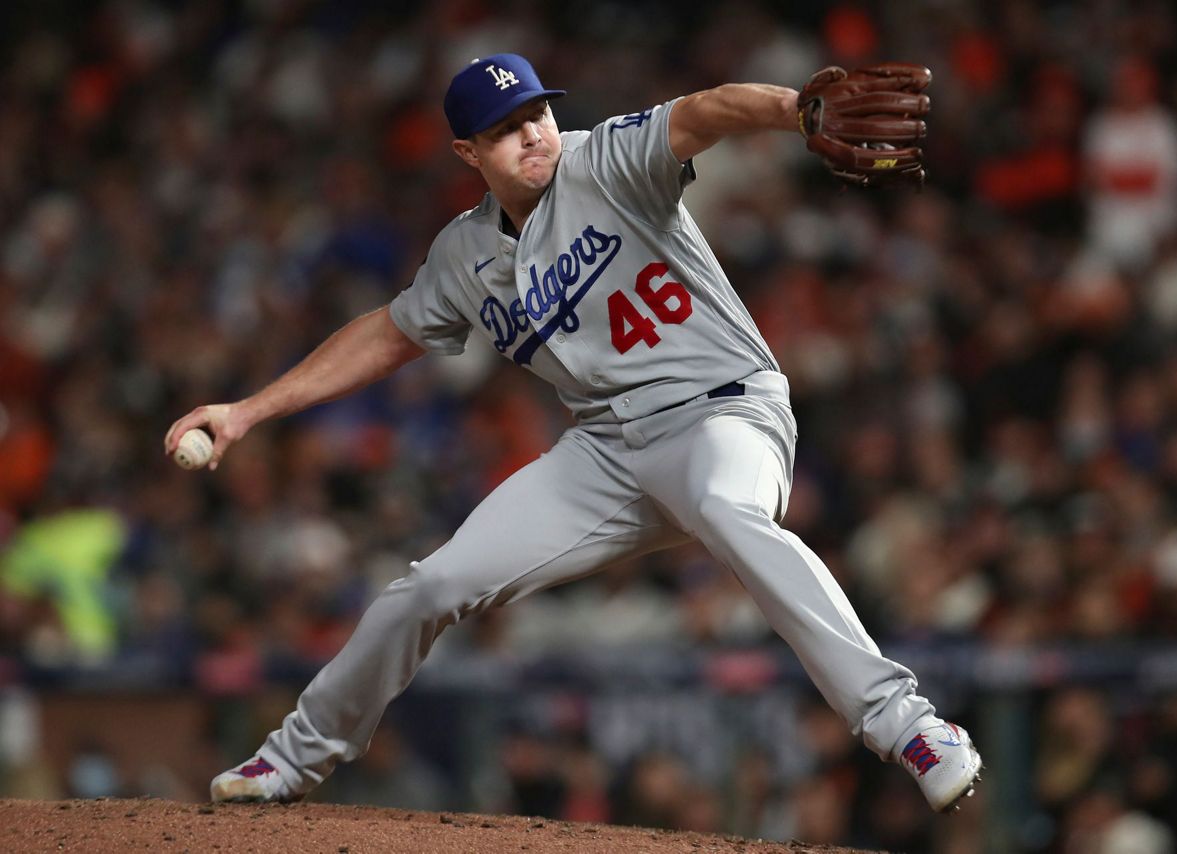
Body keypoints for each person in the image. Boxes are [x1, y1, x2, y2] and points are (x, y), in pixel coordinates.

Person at [167, 53, 982, 815]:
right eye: (505, 127)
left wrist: (792, 110)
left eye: (537, 113)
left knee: (731, 512)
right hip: (608, 453)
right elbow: (387, 335)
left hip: (724, 410)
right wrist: (245, 412)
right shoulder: (465, 254)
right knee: (430, 587)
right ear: (466, 152)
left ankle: (908, 726)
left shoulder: (604, 160)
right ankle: (294, 758)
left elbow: (703, 112)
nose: (532, 133)